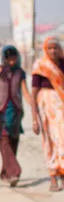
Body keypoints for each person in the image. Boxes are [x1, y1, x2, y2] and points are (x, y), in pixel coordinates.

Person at [0, 45, 32, 187]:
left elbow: (25, 92)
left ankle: (5, 172)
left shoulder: (20, 73)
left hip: (16, 112)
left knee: (13, 142)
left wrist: (35, 108)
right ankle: (14, 171)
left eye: (14, 58)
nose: (11, 61)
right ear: (4, 58)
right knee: (3, 141)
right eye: (8, 58)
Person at [31, 37, 64, 192]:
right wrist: (34, 118)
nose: (53, 51)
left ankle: (62, 175)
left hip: (61, 107)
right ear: (45, 49)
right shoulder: (40, 66)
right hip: (46, 107)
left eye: (55, 48)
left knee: (62, 140)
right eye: (49, 48)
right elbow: (34, 93)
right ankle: (53, 177)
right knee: (49, 141)